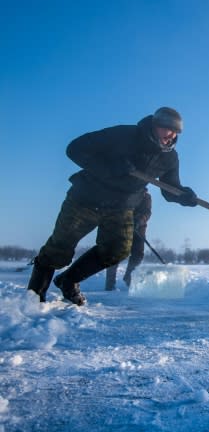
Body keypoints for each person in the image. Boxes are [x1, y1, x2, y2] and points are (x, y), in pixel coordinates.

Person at [26, 107, 197, 305]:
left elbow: (170, 190)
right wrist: (109, 167)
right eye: (168, 129)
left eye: (176, 132)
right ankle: (34, 298)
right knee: (58, 250)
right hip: (85, 199)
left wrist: (184, 196)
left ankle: (68, 280)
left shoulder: (169, 157)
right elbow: (75, 148)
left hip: (121, 207)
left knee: (117, 249)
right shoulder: (123, 135)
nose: (172, 135)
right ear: (154, 126)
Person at [104, 190, 151, 290]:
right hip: (121, 228)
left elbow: (147, 212)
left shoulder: (146, 196)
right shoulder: (122, 191)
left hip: (139, 230)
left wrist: (140, 220)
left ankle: (129, 276)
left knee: (138, 254)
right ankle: (110, 283)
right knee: (115, 254)